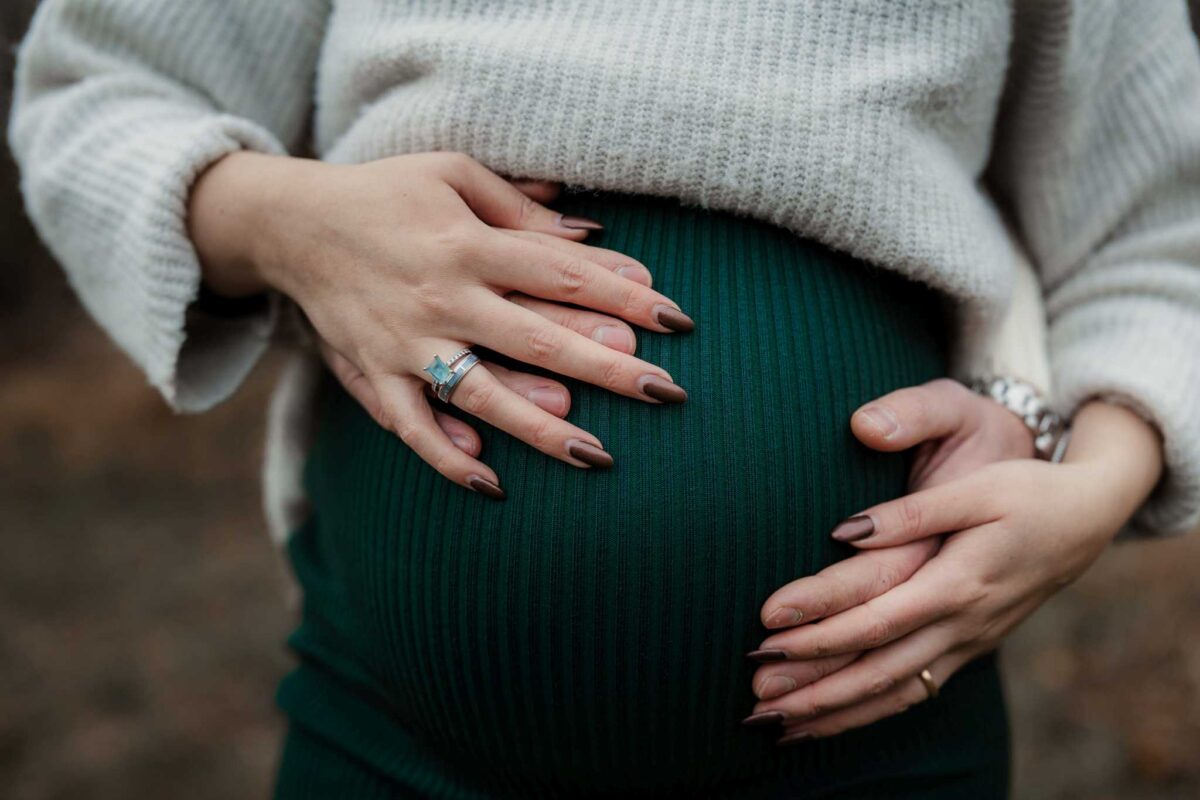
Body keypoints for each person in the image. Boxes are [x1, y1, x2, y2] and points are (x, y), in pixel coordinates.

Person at [10, 1, 1198, 797]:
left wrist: (1086, 480)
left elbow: (1160, 234)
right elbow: (98, 96)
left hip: (882, 732)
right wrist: (288, 220)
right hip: (395, 741)